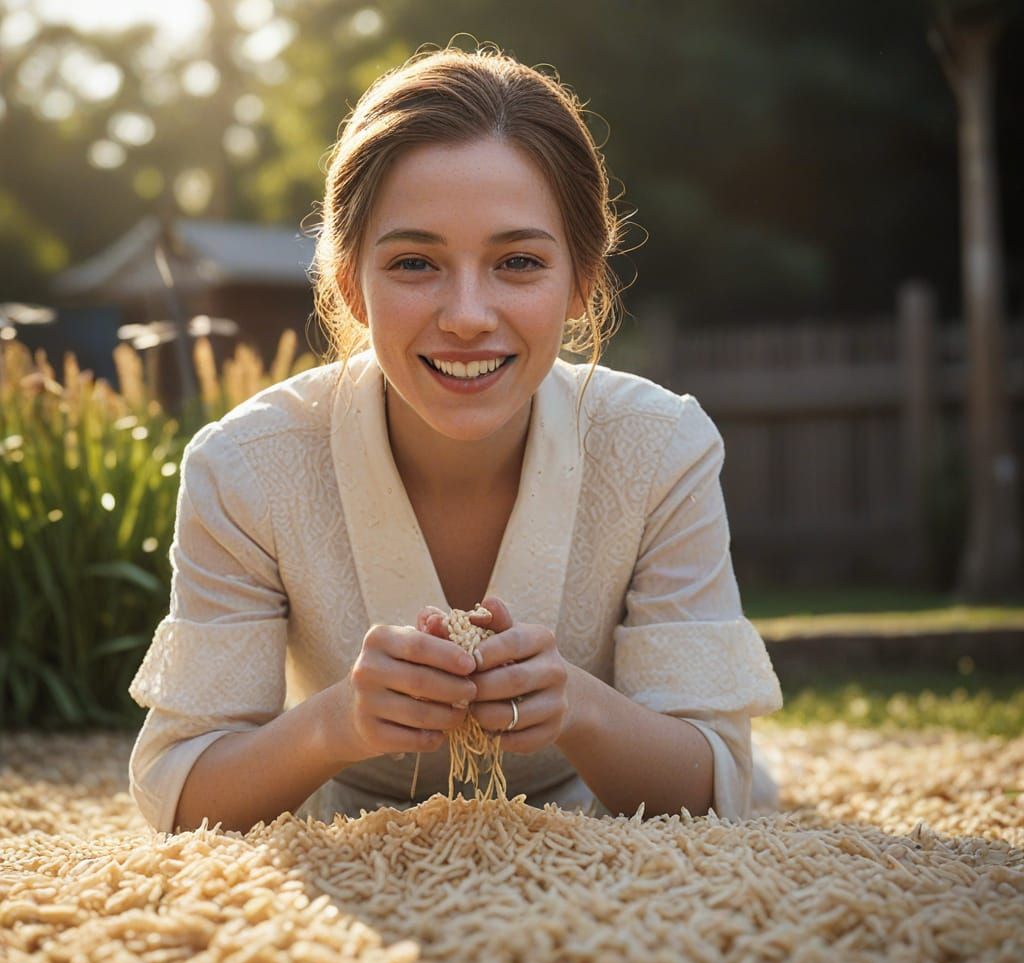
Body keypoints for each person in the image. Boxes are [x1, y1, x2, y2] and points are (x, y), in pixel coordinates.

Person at [127, 44, 784, 836]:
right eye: (414, 262)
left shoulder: (660, 449)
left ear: (580, 280)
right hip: (356, 841)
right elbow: (178, 794)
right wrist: (334, 723)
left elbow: (718, 785)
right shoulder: (244, 469)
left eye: (517, 261)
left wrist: (579, 707)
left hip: (587, 832)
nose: (468, 314)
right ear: (348, 284)